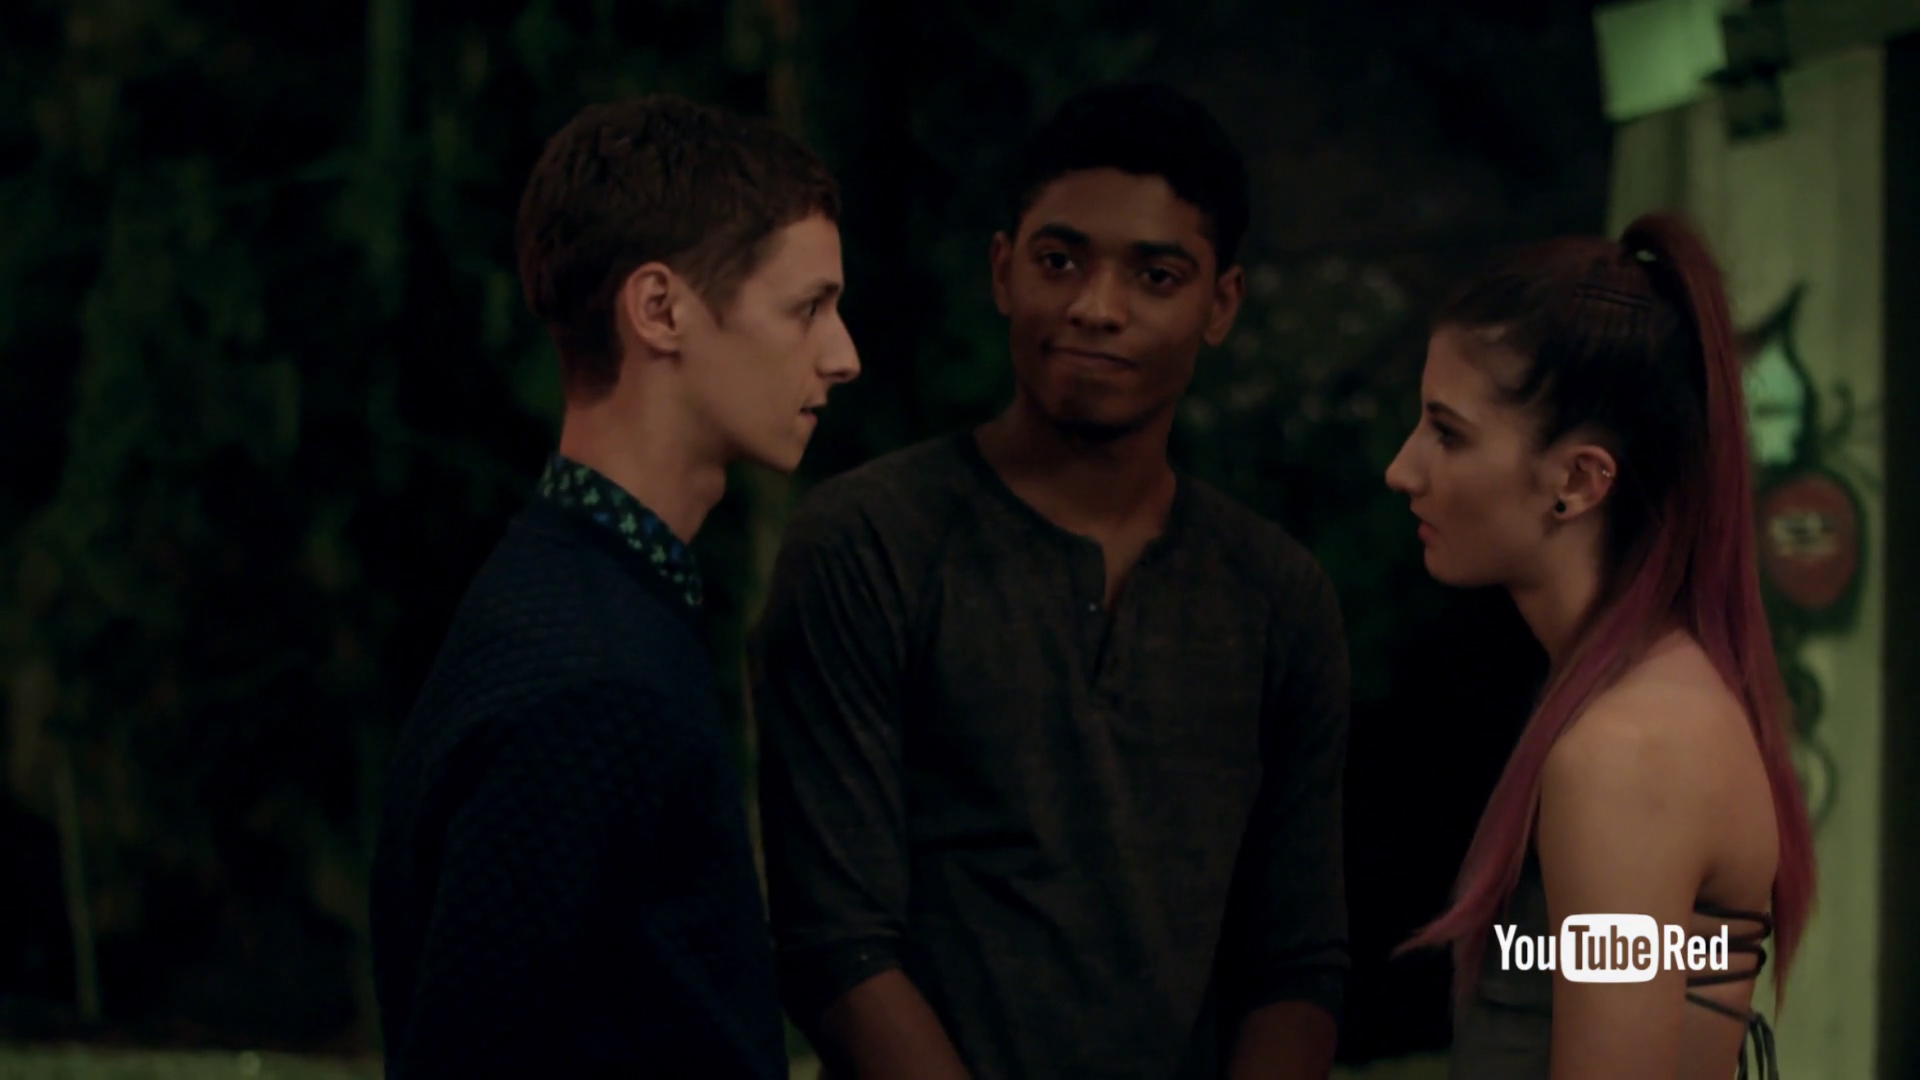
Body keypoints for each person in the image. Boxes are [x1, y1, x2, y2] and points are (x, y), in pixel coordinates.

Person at [750, 81, 1349, 1080]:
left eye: (1156, 276)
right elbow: (835, 943)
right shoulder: (869, 545)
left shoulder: (1277, 597)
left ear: (1221, 304)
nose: (1096, 309)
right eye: (1060, 261)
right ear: (1003, 270)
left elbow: (1296, 960)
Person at [368, 94, 859, 1078]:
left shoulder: (600, 602)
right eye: (807, 308)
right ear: (660, 310)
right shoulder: (588, 676)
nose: (843, 355)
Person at [1384, 212, 1814, 1080]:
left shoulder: (1624, 752)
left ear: (1578, 481)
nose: (1404, 469)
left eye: (1448, 433)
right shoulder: (1641, 706)